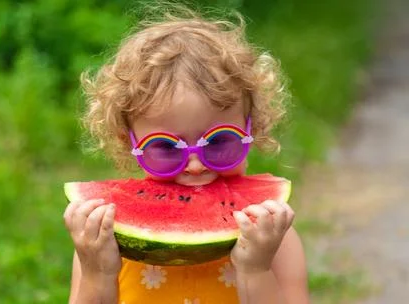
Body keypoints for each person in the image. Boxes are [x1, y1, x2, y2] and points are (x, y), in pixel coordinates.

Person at [64, 7, 309, 304]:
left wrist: (257, 271)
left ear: (252, 130)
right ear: (129, 143)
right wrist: (96, 274)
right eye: (166, 147)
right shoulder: (103, 239)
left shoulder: (274, 239)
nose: (195, 165)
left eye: (218, 142)